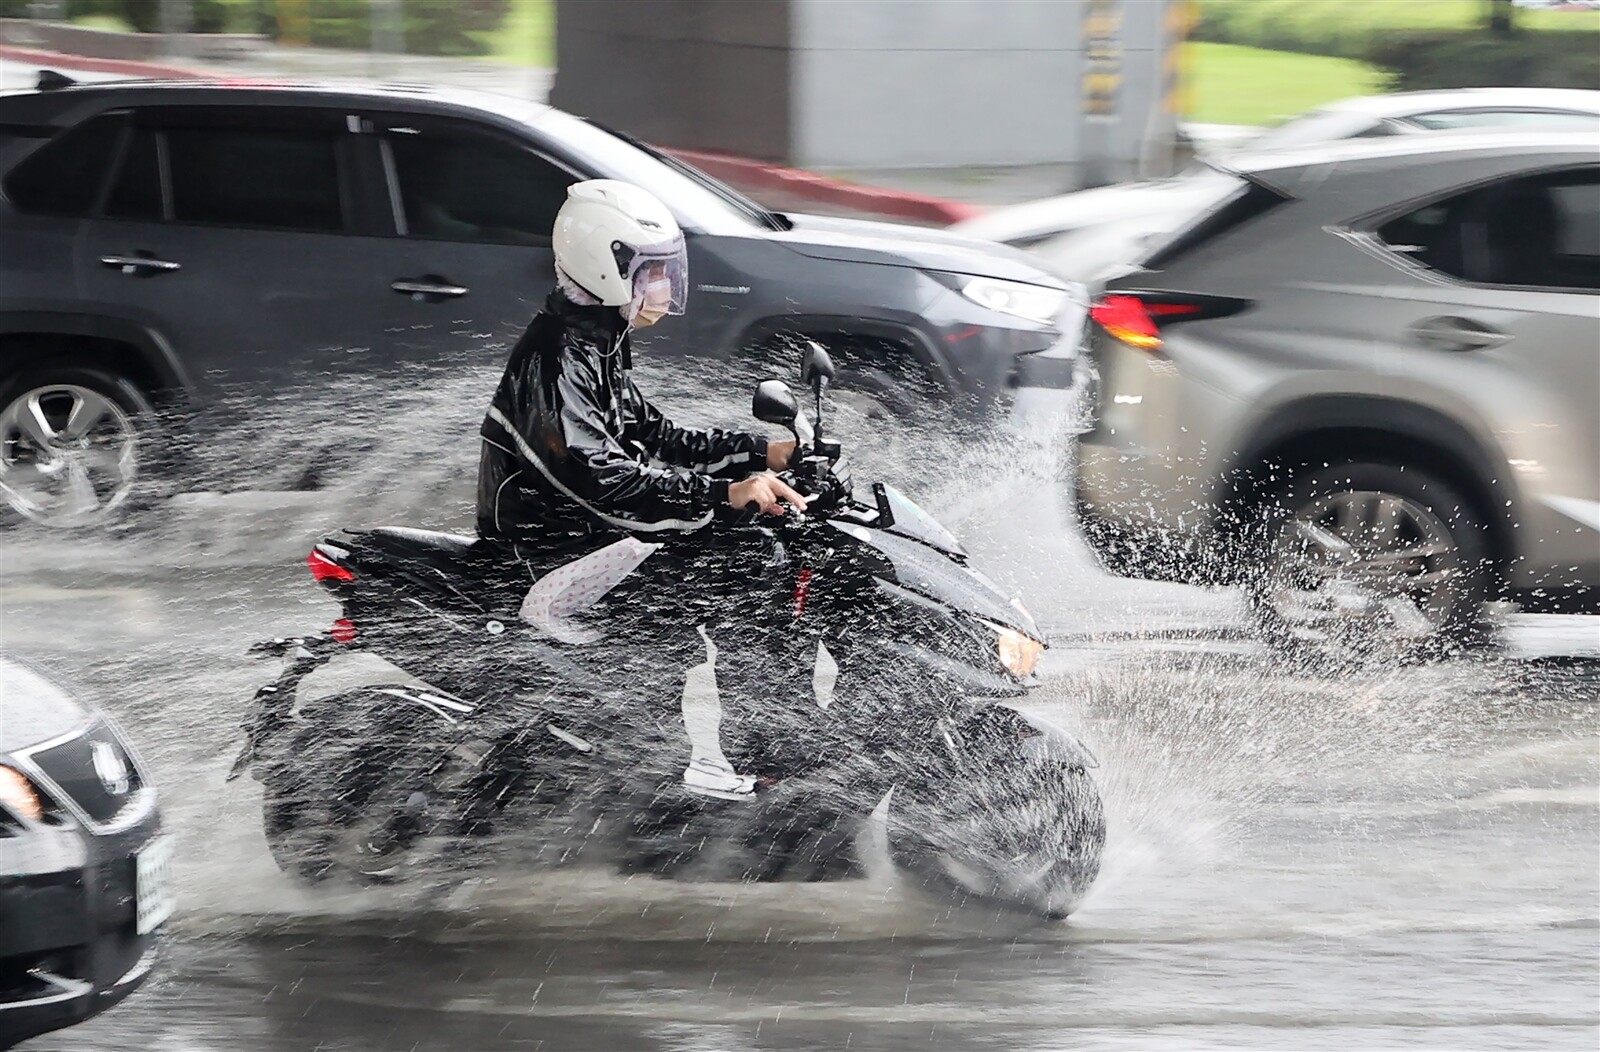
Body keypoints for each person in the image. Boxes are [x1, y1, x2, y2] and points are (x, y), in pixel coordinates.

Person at [476, 179, 810, 799]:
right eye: (652, 272)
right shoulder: (560, 359)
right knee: (747, 572)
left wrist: (761, 452)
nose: (664, 287)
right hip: (551, 551)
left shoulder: (595, 343)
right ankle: (724, 772)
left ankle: (757, 757)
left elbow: (655, 435)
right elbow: (598, 477)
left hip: (591, 535)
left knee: (760, 554)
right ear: (606, 268)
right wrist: (721, 497)